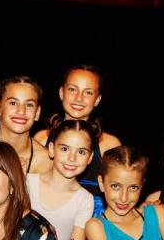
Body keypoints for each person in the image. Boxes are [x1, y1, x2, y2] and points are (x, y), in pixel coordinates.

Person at [35, 65, 121, 215]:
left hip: (92, 224)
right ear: (61, 92)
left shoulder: (108, 144)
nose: (79, 98)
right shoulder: (42, 139)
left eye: (88, 92)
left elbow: (122, 192)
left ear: (97, 99)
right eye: (72, 89)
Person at [26, 119, 96, 240]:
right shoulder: (28, 182)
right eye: (64, 149)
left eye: (81, 152)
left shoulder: (84, 200)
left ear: (90, 158)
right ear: (52, 149)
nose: (72, 158)